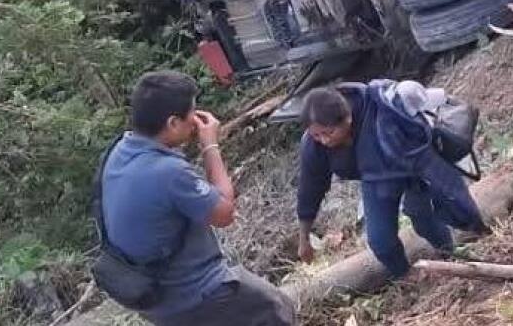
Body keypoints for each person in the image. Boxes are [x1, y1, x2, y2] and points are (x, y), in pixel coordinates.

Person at [100, 71, 294, 326]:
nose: (195, 120)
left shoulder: (119, 151)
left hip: (149, 296)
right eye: (191, 113)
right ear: (172, 123)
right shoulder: (168, 172)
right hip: (191, 294)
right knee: (275, 307)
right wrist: (210, 146)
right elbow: (225, 214)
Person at [296, 80, 487, 279]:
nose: (324, 141)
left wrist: (471, 218)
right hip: (376, 180)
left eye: (328, 133)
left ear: (348, 118)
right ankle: (407, 277)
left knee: (423, 219)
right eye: (316, 136)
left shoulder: (385, 112)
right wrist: (304, 240)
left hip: (412, 168)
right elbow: (310, 189)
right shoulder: (314, 146)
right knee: (380, 241)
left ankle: (452, 256)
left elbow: (438, 172)